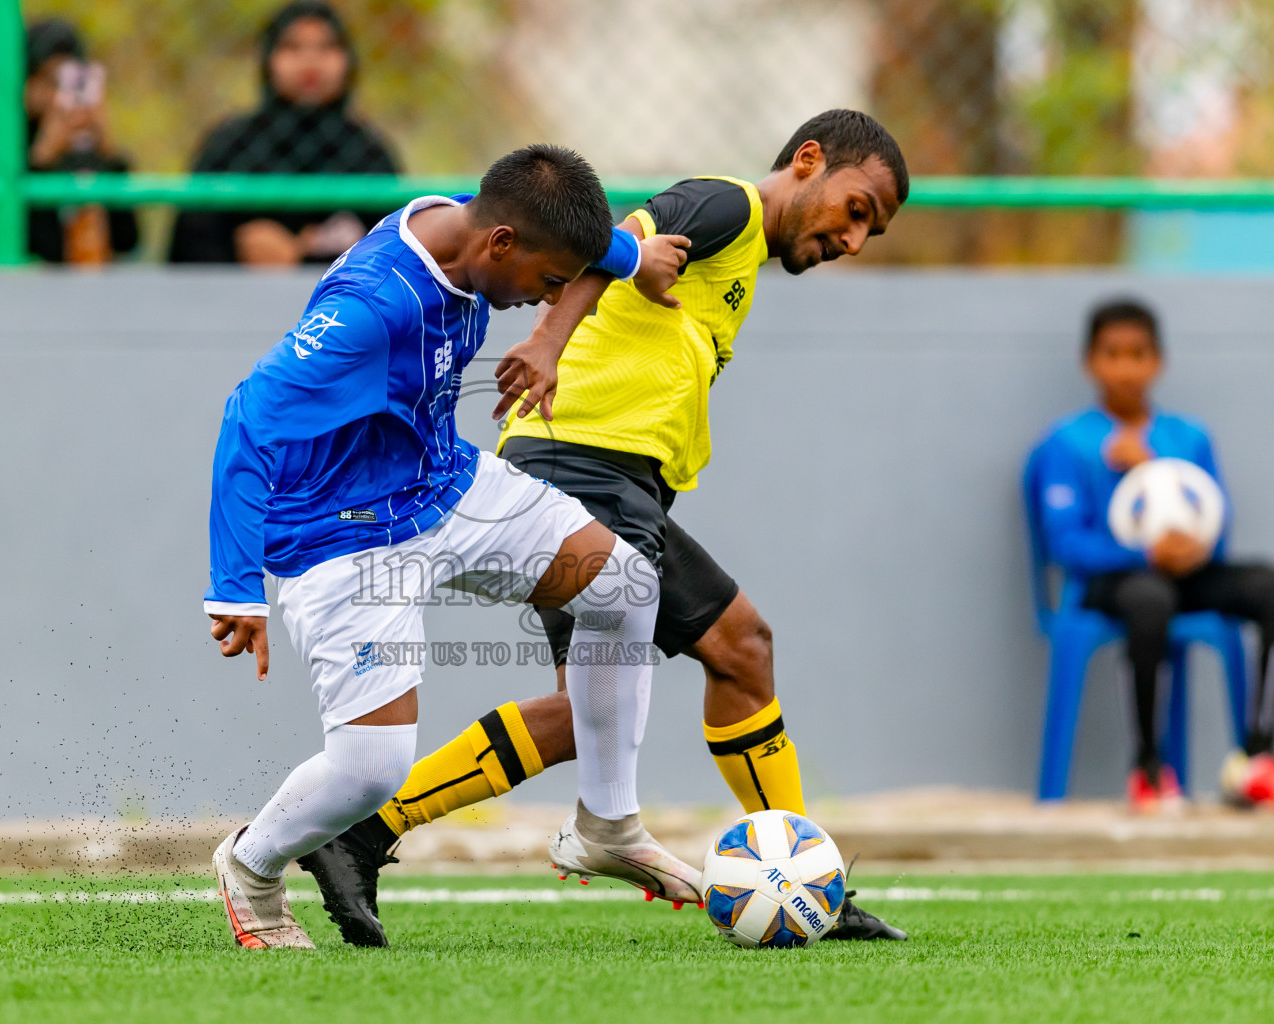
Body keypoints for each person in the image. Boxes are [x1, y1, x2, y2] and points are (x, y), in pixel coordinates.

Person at [299, 109, 912, 946]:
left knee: (607, 701)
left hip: (607, 475)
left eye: (871, 229)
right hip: (585, 465)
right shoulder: (726, 205)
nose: (856, 239)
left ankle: (366, 830)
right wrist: (548, 339)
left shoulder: (740, 267)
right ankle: (811, 883)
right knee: (738, 647)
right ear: (809, 161)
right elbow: (609, 240)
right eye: (857, 209)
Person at [205, 144, 697, 950]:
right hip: (343, 533)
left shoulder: (487, 221)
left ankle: (608, 826)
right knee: (371, 771)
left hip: (446, 487)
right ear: (501, 245)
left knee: (622, 588)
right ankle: (252, 864)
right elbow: (247, 418)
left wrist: (634, 257)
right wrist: (234, 584)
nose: (549, 299)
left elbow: (579, 241)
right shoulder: (373, 307)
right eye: (546, 283)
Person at [1031, 299, 1274, 813]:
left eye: (1137, 354)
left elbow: (1214, 517)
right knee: (1150, 598)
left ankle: (1256, 755)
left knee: (1265, 586)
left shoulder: (1187, 437)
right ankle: (1149, 769)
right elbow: (1065, 542)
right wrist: (1140, 550)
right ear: (1090, 362)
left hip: (1185, 574)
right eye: (1112, 354)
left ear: (1157, 361)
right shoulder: (1068, 443)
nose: (1125, 367)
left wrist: (1193, 543)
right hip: (1110, 583)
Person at [168, 1, 399, 266]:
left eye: (326, 47)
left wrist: (306, 255)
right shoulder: (231, 144)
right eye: (292, 47)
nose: (310, 61)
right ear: (269, 59)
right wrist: (242, 251)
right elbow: (186, 246)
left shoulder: (368, 151)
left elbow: (397, 255)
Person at [0, 18, 139, 265]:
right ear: (27, 83)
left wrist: (109, 155)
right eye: (51, 81)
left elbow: (127, 243)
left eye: (70, 82)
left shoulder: (89, 154)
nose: (58, 95)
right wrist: (40, 159)